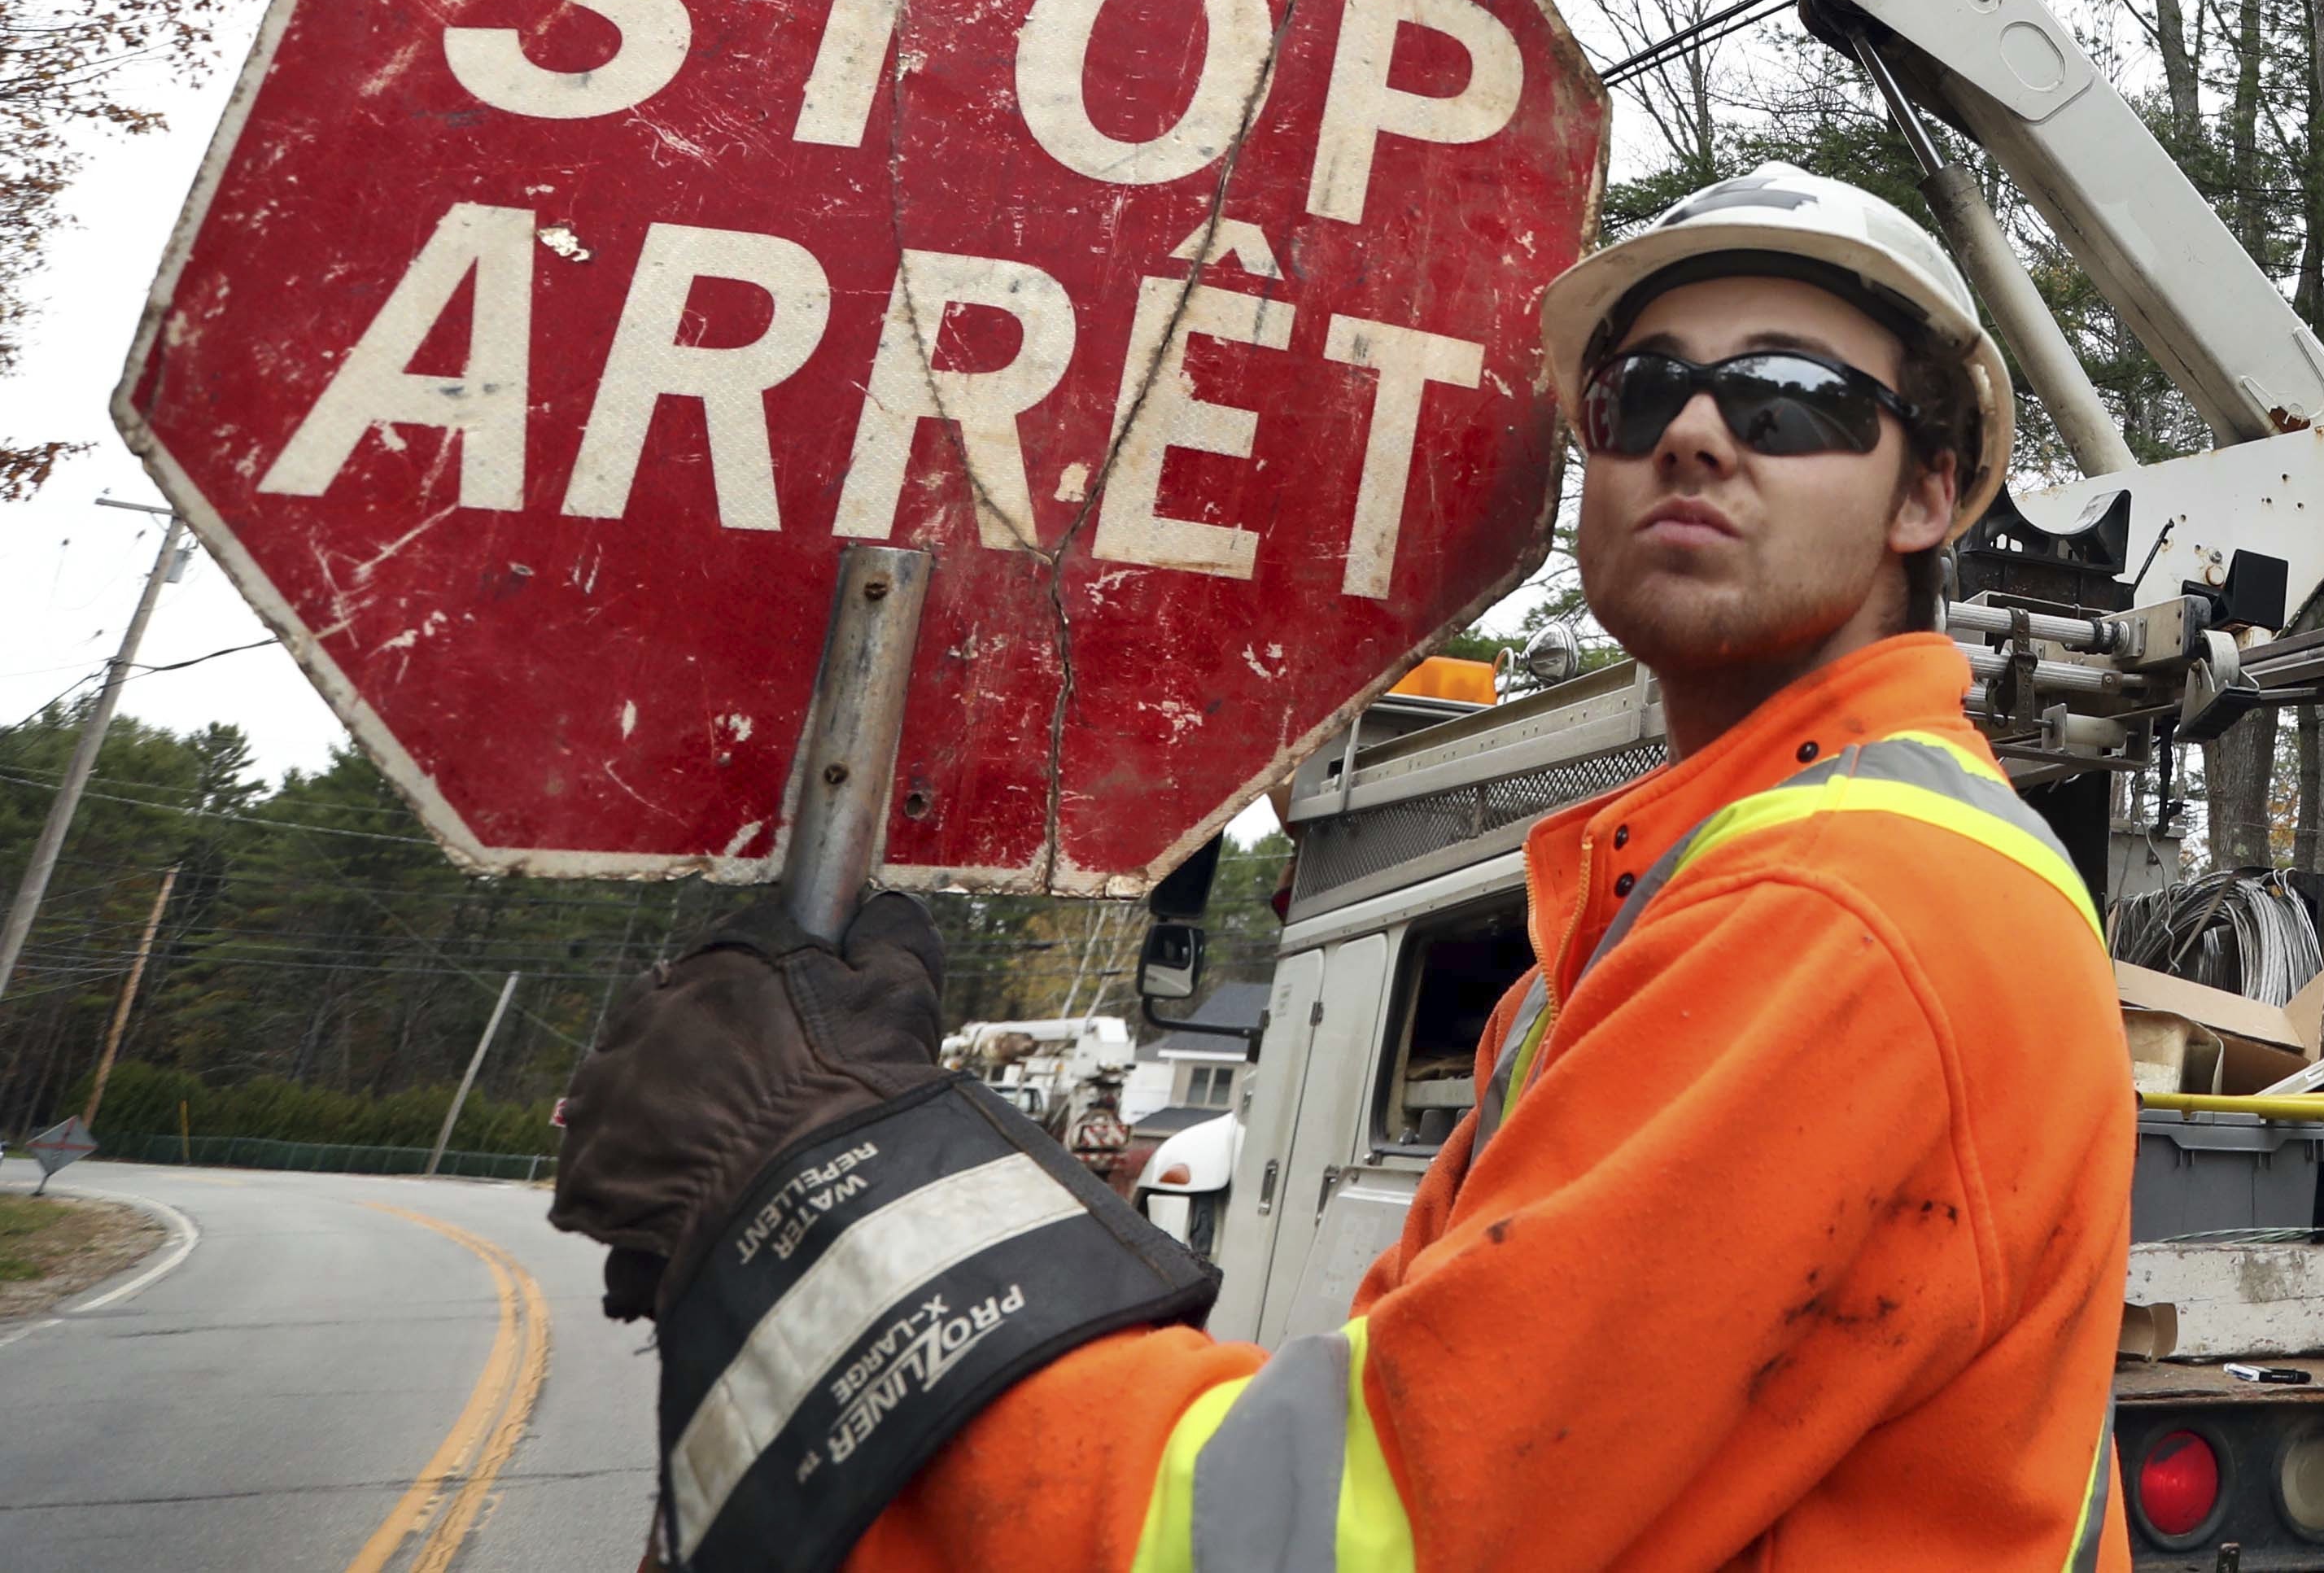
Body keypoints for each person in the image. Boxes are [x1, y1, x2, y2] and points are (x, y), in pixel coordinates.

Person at [549, 165, 2136, 1573]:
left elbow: (1361, 1529)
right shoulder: (1702, 881)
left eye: (1791, 397)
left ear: (1927, 491)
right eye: (1637, 392)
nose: (1699, 430)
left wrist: (831, 1206)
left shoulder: (1844, 908)